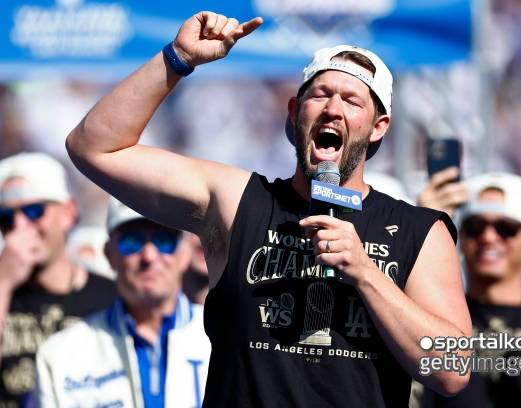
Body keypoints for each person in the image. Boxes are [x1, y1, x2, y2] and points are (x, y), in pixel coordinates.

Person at [65, 11, 472, 407]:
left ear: (378, 126)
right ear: (294, 112)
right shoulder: (238, 201)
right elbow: (94, 148)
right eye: (320, 95)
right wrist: (178, 58)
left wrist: (366, 273)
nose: (332, 109)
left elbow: (453, 370)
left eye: (351, 101)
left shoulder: (419, 229)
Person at [36, 198, 211, 407]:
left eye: (164, 241)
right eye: (132, 242)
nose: (149, 256)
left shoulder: (227, 338)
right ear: (109, 254)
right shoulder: (60, 355)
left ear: (184, 254)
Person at [415, 172, 521, 407]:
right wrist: (422, 228)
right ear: (460, 235)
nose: (488, 237)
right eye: (475, 227)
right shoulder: (434, 320)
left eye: (506, 228)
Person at [0, 152, 116, 407]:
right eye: (6, 218)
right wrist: (3, 282)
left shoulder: (110, 296)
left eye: (33, 211)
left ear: (68, 213)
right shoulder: (3, 291)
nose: (19, 226)